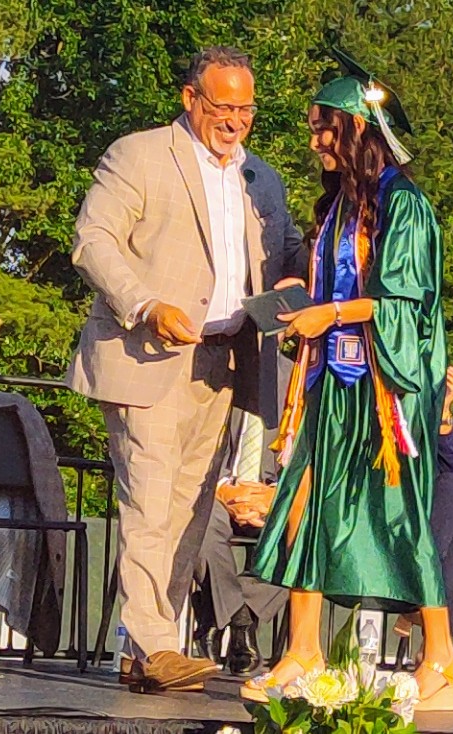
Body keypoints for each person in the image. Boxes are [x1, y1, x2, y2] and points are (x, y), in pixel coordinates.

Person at [68, 46, 306, 693]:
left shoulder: (265, 180)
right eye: (223, 106)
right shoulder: (140, 155)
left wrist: (299, 279)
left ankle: (149, 646)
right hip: (147, 353)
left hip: (226, 363)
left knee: (190, 509)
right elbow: (94, 240)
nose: (235, 120)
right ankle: (153, 642)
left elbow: (290, 255)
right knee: (148, 498)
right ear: (190, 99)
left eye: (246, 108)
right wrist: (145, 304)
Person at [241, 49, 453, 711]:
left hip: (385, 394)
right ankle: (303, 649)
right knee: (305, 508)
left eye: (322, 128)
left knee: (397, 520)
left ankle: (443, 658)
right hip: (332, 386)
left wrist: (327, 313)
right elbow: (336, 290)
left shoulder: (405, 206)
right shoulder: (339, 207)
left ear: (356, 131)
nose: (312, 141)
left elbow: (402, 303)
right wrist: (299, 315)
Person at [192, 354, 292, 676]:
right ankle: (240, 621)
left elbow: (318, 455)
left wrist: (275, 494)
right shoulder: (215, 374)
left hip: (275, 494)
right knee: (197, 524)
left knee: (304, 534)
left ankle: (225, 614)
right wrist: (222, 488)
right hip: (218, 491)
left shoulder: (300, 377)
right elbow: (194, 444)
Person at [394, 366, 453, 647]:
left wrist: (444, 409)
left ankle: (418, 597)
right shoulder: (374, 395)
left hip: (418, 509)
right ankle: (439, 643)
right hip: (376, 502)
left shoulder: (423, 403)